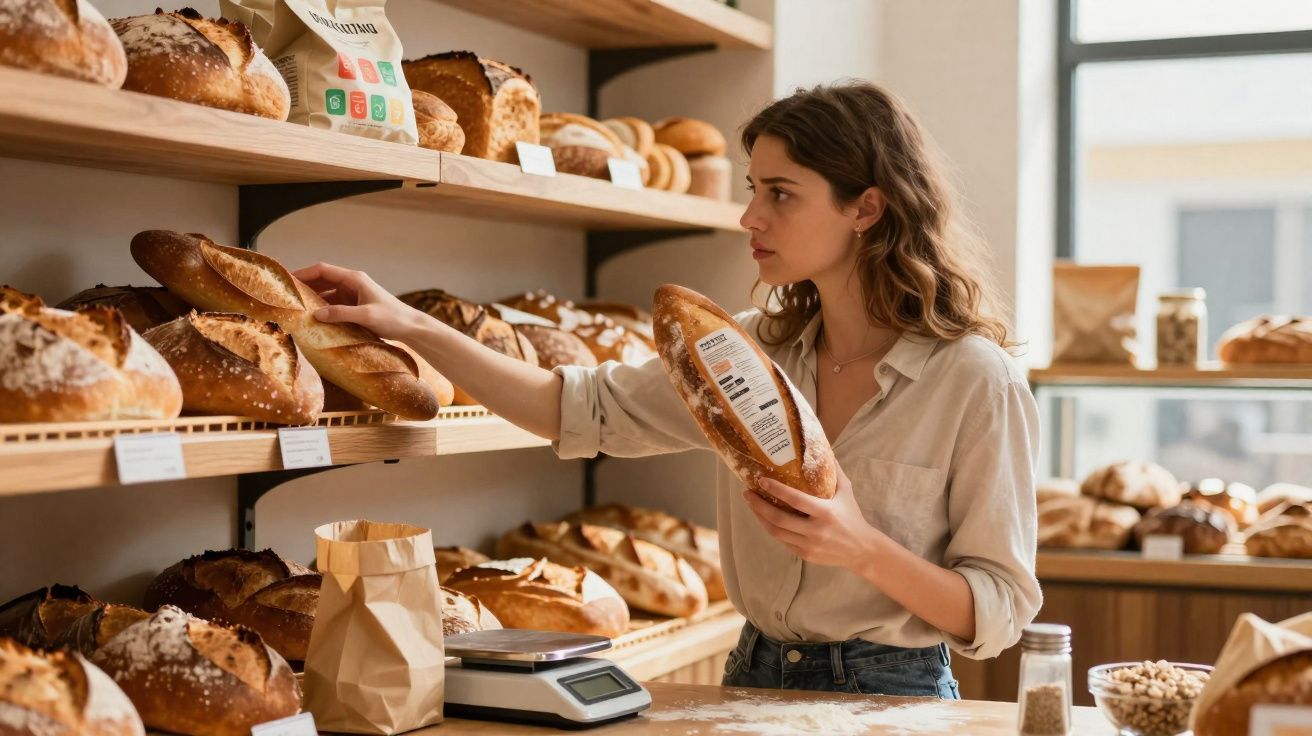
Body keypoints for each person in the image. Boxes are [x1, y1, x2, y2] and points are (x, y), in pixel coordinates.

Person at [294, 81, 1042, 698]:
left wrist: (861, 548)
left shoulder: (975, 380)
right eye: (753, 189)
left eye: (781, 194)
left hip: (896, 692)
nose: (750, 216)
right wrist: (406, 325)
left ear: (866, 208)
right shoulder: (746, 352)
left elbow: (1000, 610)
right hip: (751, 680)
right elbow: (577, 408)